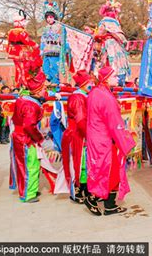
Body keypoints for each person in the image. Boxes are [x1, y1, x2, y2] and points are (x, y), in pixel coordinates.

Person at [85, 66, 136, 216]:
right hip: (106, 140)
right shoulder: (106, 97)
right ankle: (97, 200)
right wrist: (127, 142)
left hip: (96, 137)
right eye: (114, 77)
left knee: (99, 169)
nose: (117, 78)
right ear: (106, 79)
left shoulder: (95, 92)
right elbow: (115, 123)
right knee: (112, 171)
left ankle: (106, 203)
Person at [9, 72, 47, 203]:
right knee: (30, 165)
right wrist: (40, 139)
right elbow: (29, 126)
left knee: (27, 165)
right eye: (43, 89)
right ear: (37, 91)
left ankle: (29, 189)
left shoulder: (24, 99)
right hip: (26, 139)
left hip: (21, 136)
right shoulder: (31, 106)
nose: (45, 91)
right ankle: (28, 194)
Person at [61, 70, 93, 204]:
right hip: (77, 134)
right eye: (90, 82)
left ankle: (83, 188)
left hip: (81, 133)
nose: (92, 84)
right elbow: (80, 120)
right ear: (84, 83)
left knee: (83, 163)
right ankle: (78, 191)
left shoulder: (82, 96)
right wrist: (89, 135)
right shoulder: (78, 98)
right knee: (78, 163)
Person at [94, 0, 131, 87]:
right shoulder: (116, 23)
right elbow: (121, 37)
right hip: (118, 45)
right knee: (119, 63)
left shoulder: (103, 22)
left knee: (108, 62)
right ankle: (120, 80)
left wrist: (96, 37)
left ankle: (108, 80)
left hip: (108, 45)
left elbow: (99, 34)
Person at [40, 1, 65, 85]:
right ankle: (48, 88)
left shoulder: (59, 27)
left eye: (50, 17)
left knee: (54, 71)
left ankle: (55, 90)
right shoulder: (45, 28)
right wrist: (41, 51)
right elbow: (42, 40)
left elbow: (63, 39)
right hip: (46, 52)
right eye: (47, 17)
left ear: (54, 17)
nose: (49, 19)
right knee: (46, 71)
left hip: (55, 52)